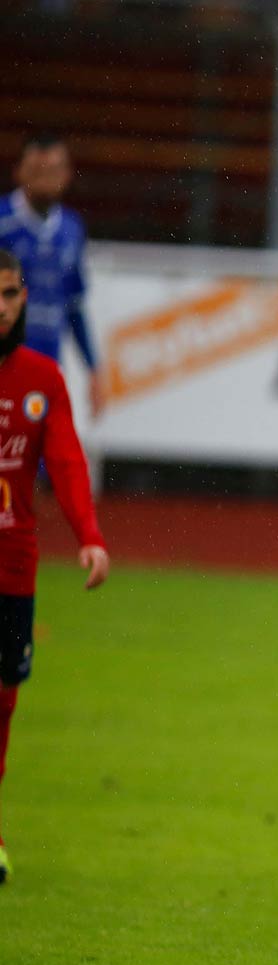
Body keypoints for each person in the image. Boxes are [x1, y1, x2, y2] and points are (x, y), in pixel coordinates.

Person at [0, 248, 110, 884]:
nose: (3, 306)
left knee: (4, 706)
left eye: (11, 294)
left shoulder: (42, 378)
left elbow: (65, 460)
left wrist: (89, 535)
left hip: (14, 564)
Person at [0, 133, 103, 412]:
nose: (46, 180)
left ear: (67, 174)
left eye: (54, 170)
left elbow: (73, 307)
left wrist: (93, 369)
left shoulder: (71, 229)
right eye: (37, 171)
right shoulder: (3, 222)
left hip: (46, 375)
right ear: (19, 172)